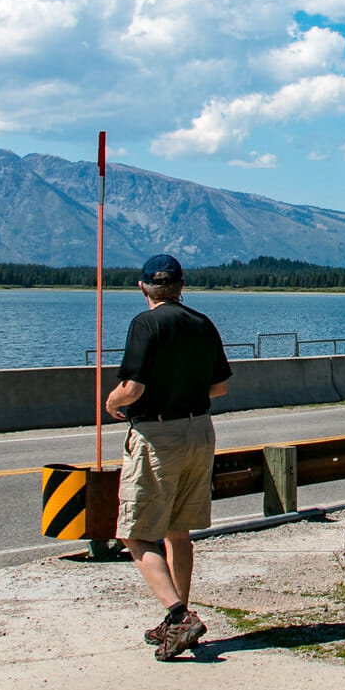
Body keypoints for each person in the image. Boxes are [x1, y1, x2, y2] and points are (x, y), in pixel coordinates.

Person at [103, 253, 233, 661]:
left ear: (142, 287)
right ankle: (178, 617)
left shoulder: (145, 324)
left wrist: (112, 401)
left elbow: (133, 388)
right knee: (179, 531)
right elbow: (219, 389)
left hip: (158, 434)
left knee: (135, 532)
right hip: (200, 430)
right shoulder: (201, 322)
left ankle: (178, 615)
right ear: (181, 286)